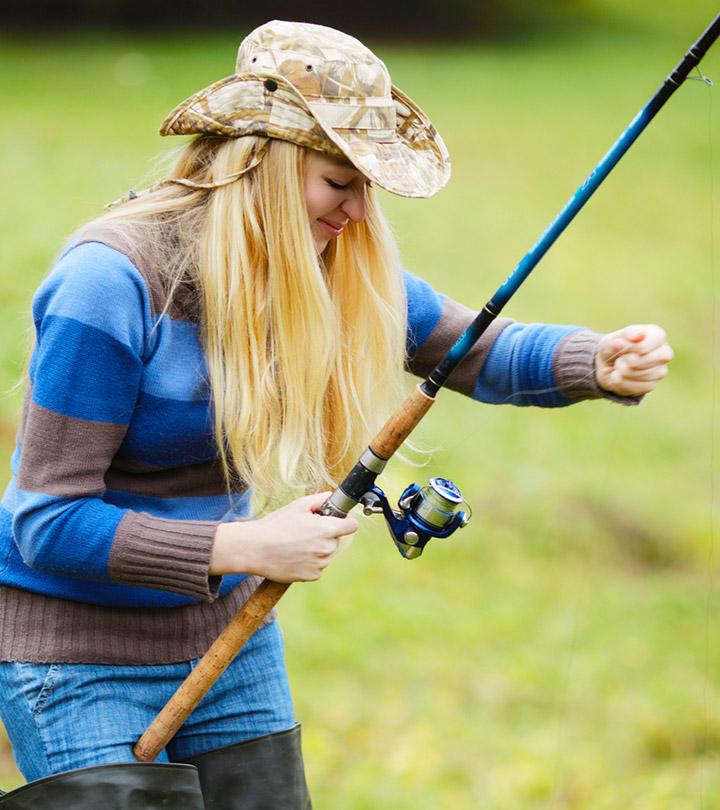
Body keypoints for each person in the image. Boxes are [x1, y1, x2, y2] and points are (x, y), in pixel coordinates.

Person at [0, 19, 672, 810]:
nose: (357, 212)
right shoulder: (109, 284)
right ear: (264, 162)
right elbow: (45, 520)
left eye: (368, 187)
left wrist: (596, 362)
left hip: (227, 639)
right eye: (338, 181)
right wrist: (248, 544)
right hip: (75, 660)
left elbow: (474, 348)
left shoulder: (319, 263)